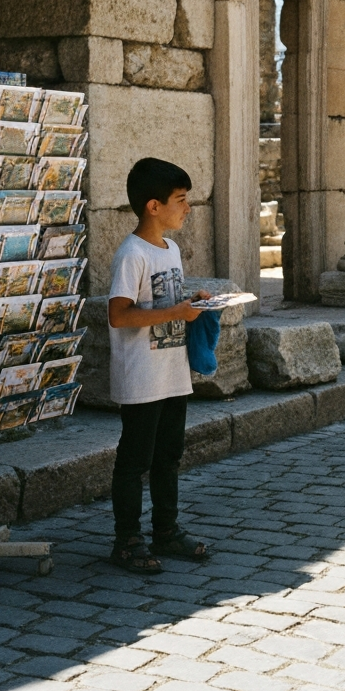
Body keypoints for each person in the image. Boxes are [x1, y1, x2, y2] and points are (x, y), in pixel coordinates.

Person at [107, 157, 214, 574]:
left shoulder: (170, 249)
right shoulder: (132, 254)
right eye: (181, 200)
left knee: (169, 455)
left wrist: (195, 304)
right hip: (141, 376)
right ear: (154, 206)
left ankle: (165, 531)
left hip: (172, 372)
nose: (188, 208)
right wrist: (176, 314)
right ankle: (126, 539)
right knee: (135, 460)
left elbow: (166, 303)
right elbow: (119, 315)